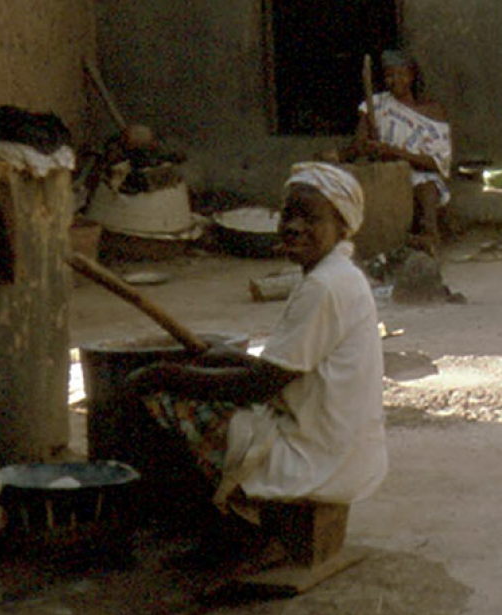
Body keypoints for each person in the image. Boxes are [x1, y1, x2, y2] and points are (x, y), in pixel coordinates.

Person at [128, 162, 388, 566]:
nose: (295, 226)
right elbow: (296, 365)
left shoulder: (323, 285)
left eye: (310, 218)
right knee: (198, 390)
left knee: (166, 401)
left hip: (316, 455)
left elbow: (258, 386)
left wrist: (167, 375)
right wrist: (230, 358)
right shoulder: (340, 274)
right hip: (341, 443)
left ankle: (235, 528)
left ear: (341, 226)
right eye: (289, 215)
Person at [353, 49, 452, 256]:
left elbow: (439, 163)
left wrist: (395, 153)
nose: (394, 80)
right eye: (389, 75)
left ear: (412, 76)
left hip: (416, 173)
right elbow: (359, 145)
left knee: (428, 186)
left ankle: (430, 236)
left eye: (401, 74)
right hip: (383, 172)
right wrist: (370, 146)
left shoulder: (432, 110)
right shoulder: (377, 105)